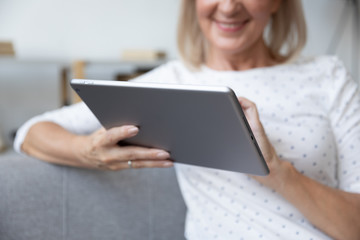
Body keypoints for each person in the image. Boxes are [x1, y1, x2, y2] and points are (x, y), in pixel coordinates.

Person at [14, 0, 360, 239]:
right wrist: (86, 150)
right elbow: (31, 132)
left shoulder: (327, 76)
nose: (228, 6)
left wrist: (278, 172)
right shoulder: (171, 83)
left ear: (277, 2)